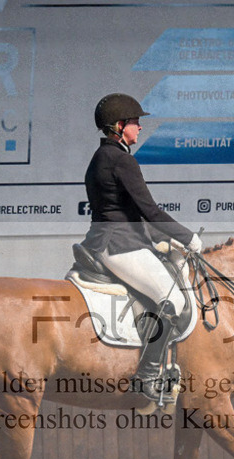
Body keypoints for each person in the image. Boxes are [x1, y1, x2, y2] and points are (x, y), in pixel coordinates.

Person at [82, 93, 202, 402]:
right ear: (120, 126)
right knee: (174, 302)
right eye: (136, 123)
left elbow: (128, 211)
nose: (139, 128)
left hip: (113, 240)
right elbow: (150, 210)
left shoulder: (100, 158)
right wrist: (188, 237)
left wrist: (157, 240)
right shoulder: (122, 160)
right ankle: (146, 378)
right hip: (119, 245)